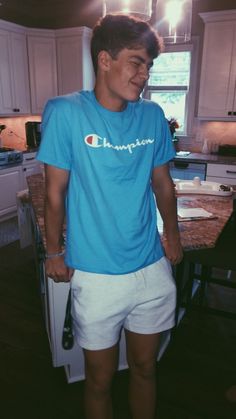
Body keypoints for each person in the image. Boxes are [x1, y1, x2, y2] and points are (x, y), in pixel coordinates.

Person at [37, 13, 183, 419]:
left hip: (151, 269)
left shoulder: (152, 116)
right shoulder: (65, 112)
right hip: (97, 275)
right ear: (105, 60)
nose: (144, 74)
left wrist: (172, 236)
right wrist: (53, 251)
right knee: (99, 380)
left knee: (145, 368)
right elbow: (54, 192)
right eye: (137, 62)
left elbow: (163, 185)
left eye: (149, 66)